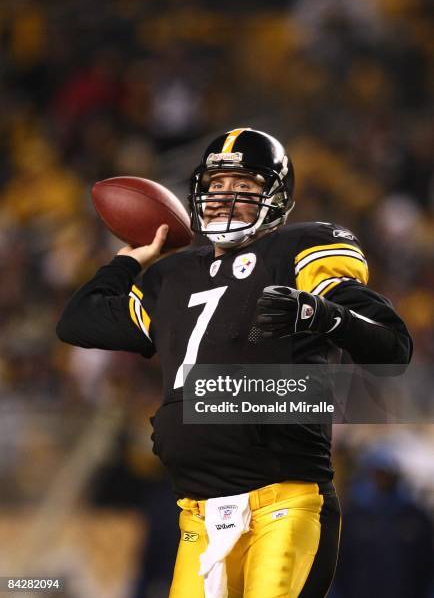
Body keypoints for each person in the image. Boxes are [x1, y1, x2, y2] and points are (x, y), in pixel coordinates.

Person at [57, 128, 412, 597]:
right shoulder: (171, 275)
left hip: (283, 505)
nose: (226, 198)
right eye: (217, 185)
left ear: (275, 197)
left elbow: (392, 346)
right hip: (197, 518)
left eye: (244, 186)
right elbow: (78, 322)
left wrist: (318, 314)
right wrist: (129, 261)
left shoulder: (299, 249)